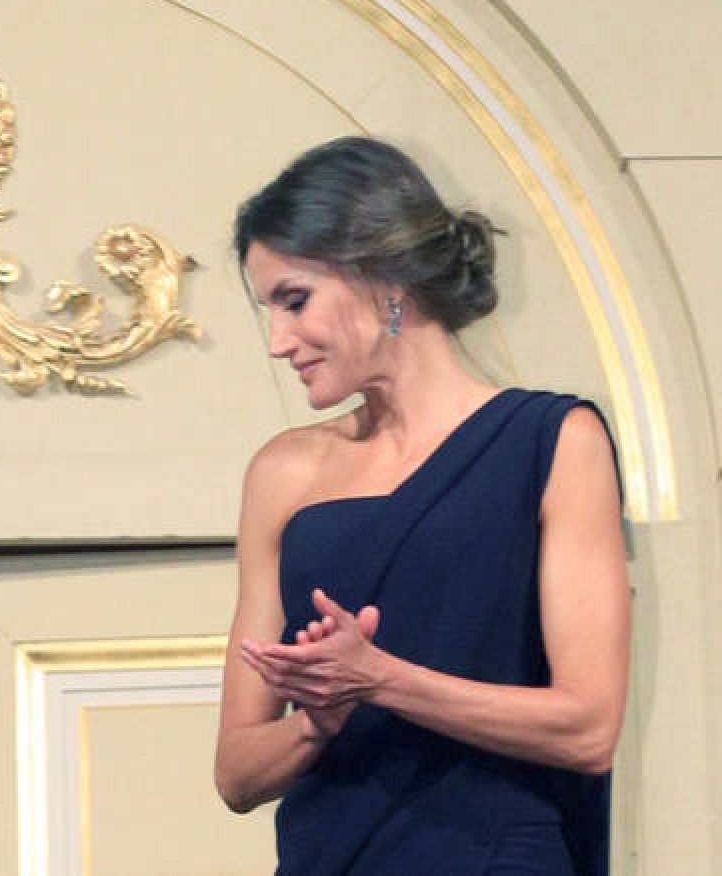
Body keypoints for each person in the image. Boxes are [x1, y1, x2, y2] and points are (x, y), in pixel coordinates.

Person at [213, 136, 629, 875]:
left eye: (295, 300)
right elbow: (237, 773)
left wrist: (379, 678)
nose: (278, 342)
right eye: (268, 309)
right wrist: (318, 721)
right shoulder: (281, 473)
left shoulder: (555, 442)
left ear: (385, 278)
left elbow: (589, 728)